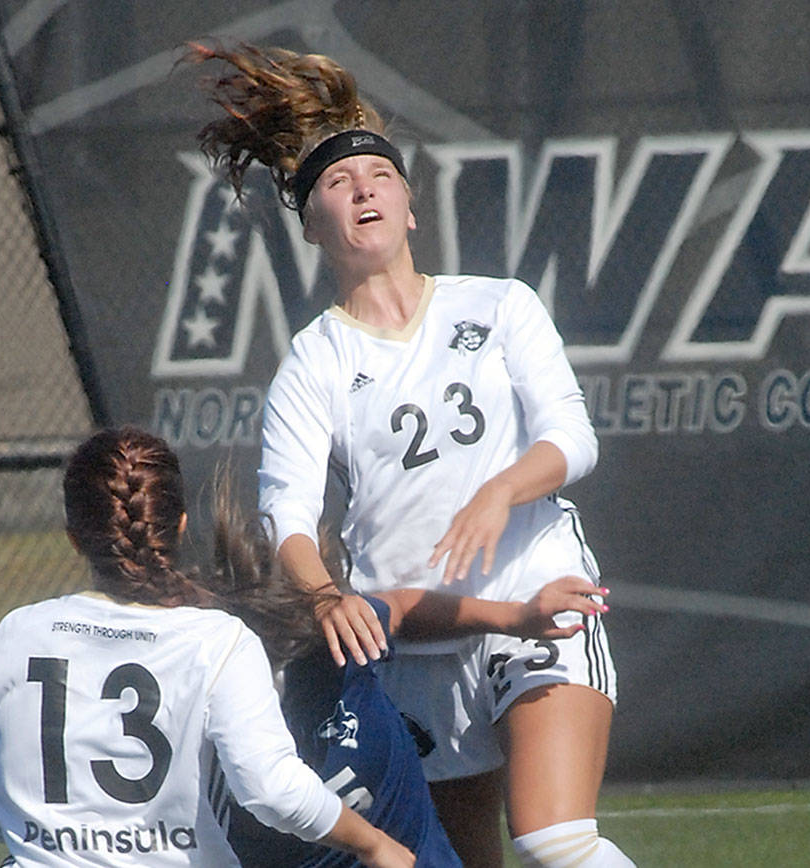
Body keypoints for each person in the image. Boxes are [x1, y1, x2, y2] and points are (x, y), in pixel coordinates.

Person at [189, 43, 634, 868]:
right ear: (313, 223)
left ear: (411, 207)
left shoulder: (499, 307)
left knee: (554, 839)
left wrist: (500, 491)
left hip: (536, 596)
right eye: (337, 183)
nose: (362, 189)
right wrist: (327, 600)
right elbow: (285, 516)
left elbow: (572, 439)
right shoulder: (314, 362)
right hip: (415, 643)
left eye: (380, 176)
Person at [0, 426, 415, 868]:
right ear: (181, 526)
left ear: (74, 538)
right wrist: (374, 844)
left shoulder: (19, 634)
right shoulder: (219, 642)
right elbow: (273, 792)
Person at [209, 478, 610, 868]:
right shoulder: (219, 711)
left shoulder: (344, 644)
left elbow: (399, 608)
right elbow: (275, 795)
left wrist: (512, 616)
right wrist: (373, 846)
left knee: (554, 842)